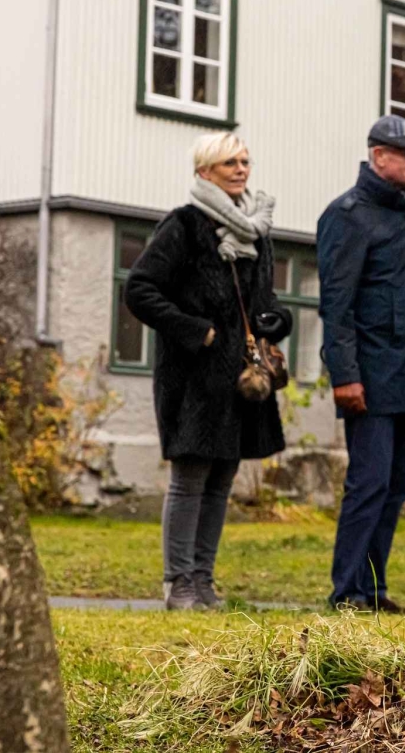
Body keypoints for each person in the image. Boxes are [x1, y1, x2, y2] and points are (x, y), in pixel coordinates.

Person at [125, 132, 291, 611]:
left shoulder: (257, 231)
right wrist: (199, 332)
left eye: (245, 162)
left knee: (221, 479)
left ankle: (203, 581)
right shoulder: (184, 225)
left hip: (241, 379)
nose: (241, 170)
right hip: (193, 376)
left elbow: (265, 298)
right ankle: (177, 583)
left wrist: (276, 320)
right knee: (190, 478)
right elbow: (140, 289)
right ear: (205, 172)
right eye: (229, 163)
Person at [318, 115, 405, 611]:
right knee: (368, 485)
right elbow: (337, 305)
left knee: (394, 489)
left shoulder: (404, 214)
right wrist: (345, 376)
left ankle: (372, 589)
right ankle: (347, 592)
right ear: (379, 156)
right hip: (371, 381)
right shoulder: (347, 215)